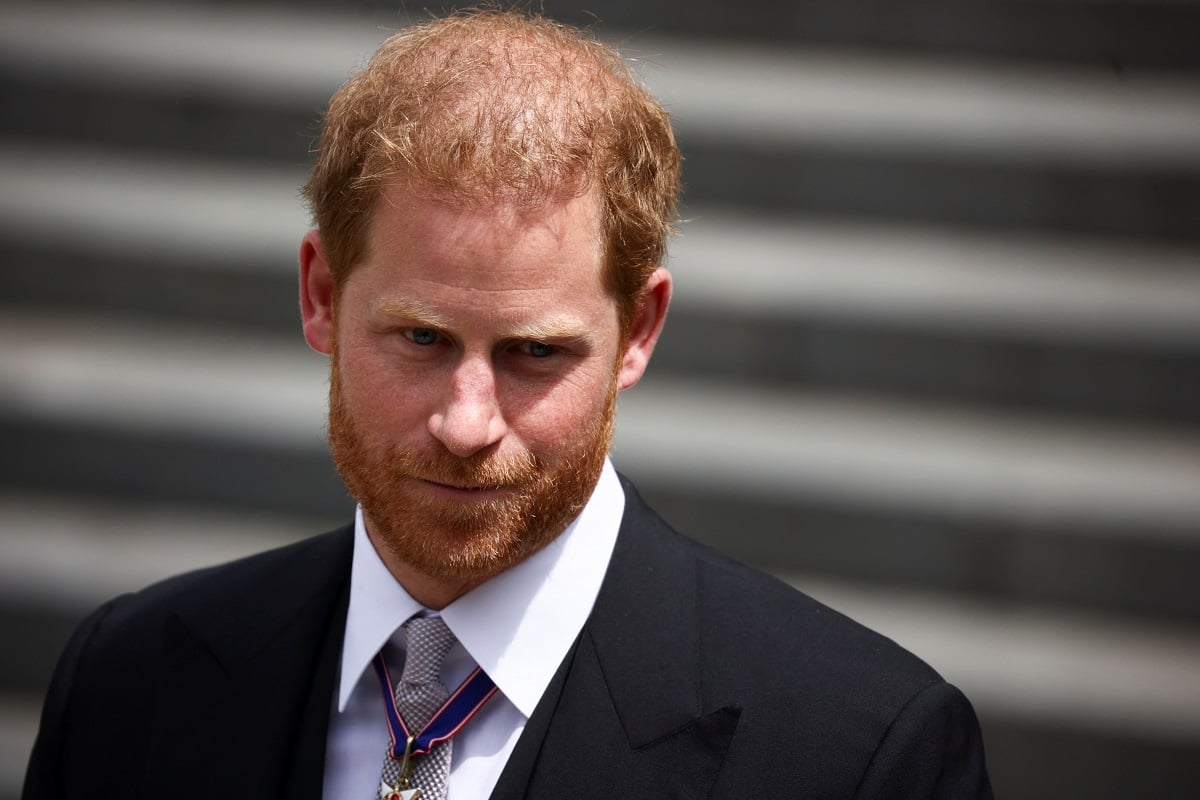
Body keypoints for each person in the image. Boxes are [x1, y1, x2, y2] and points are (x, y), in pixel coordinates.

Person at [23, 9, 991, 800]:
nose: (466, 421)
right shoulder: (130, 680)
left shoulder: (863, 755)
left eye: (534, 353)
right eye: (421, 338)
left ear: (639, 331)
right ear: (321, 294)